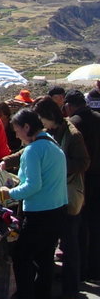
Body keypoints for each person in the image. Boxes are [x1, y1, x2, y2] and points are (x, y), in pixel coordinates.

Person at [0, 108, 67, 299]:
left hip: (40, 214)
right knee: (45, 258)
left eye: (17, 130)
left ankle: (25, 294)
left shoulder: (33, 150)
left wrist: (5, 194)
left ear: (27, 127)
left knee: (22, 256)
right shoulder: (52, 143)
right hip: (58, 210)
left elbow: (33, 185)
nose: (16, 135)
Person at [33, 97, 89, 299]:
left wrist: (58, 167)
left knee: (69, 245)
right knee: (53, 243)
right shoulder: (50, 133)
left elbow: (84, 162)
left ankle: (71, 290)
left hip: (67, 196)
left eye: (40, 118)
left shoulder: (72, 134)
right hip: (54, 196)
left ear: (48, 116)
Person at [64, 89, 100, 282]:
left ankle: (81, 270)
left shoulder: (73, 124)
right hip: (97, 178)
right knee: (95, 225)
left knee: (79, 227)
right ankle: (95, 269)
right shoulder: (98, 118)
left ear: (68, 106)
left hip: (82, 180)